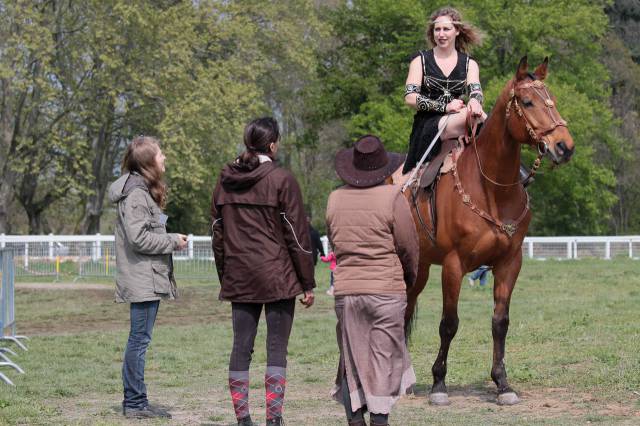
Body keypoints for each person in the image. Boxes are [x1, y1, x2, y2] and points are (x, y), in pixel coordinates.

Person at [210, 117, 316, 426]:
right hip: (277, 276)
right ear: (272, 144)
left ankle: (243, 419)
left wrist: (226, 274)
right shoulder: (282, 179)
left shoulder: (224, 180)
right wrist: (307, 281)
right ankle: (274, 419)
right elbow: (297, 237)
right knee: (276, 349)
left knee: (241, 347)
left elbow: (218, 233)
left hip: (240, 274)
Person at [326, 135, 419, 426]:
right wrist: (408, 279)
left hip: (348, 290)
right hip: (386, 291)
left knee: (351, 359)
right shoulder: (393, 197)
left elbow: (335, 243)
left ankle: (354, 419)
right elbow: (408, 247)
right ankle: (379, 421)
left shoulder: (334, 199)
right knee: (383, 360)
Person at [109, 136, 189, 419]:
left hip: (146, 277)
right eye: (160, 154)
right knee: (139, 341)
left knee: (140, 339)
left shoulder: (140, 192)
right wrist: (171, 241)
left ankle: (138, 401)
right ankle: (134, 403)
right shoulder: (136, 196)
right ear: (147, 162)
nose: (164, 158)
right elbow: (139, 238)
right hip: (142, 280)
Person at [402, 6, 485, 176]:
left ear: (457, 31)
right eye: (437, 29)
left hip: (460, 118)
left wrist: (475, 101)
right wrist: (445, 107)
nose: (441, 34)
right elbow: (410, 98)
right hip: (428, 124)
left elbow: (476, 91)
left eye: (446, 29)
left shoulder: (470, 64)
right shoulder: (420, 60)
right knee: (473, 117)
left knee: (485, 118)